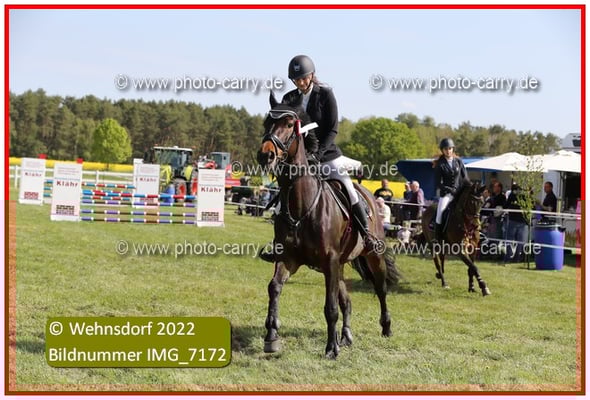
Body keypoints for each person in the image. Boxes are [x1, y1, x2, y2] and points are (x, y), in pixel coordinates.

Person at [259, 55, 379, 262]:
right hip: (299, 159)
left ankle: (367, 235)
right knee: (283, 199)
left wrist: (318, 154)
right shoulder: (289, 98)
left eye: (304, 78)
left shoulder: (325, 94)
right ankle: (279, 245)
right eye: (296, 79)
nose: (300, 82)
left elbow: (332, 129)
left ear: (312, 75)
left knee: (349, 189)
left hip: (326, 155)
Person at [432, 138, 470, 243]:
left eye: (450, 148)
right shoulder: (440, 164)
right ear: (442, 150)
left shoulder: (458, 161)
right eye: (446, 149)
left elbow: (465, 177)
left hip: (459, 192)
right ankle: (437, 237)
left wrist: (470, 187)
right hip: (447, 194)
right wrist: (449, 189)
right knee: (440, 212)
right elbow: (438, 183)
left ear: (453, 149)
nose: (448, 151)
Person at [504, 184, 530, 263]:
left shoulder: (512, 195)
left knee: (510, 239)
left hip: (514, 220)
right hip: (521, 220)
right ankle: (517, 257)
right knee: (519, 241)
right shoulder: (526, 196)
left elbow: (506, 205)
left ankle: (509, 257)